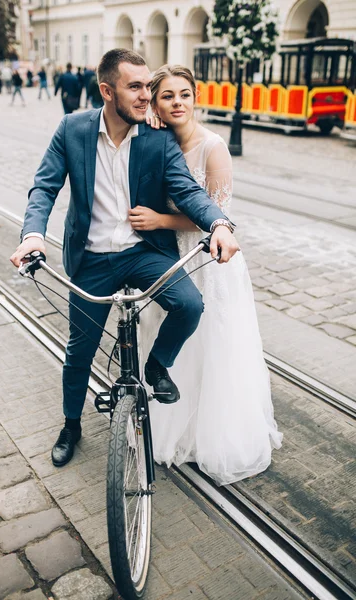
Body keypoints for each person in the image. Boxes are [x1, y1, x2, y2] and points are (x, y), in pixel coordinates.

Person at [10, 48, 239, 468]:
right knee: (80, 349)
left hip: (141, 253)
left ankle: (156, 367)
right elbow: (43, 189)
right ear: (106, 90)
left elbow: (189, 192)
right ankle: (70, 426)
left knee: (189, 304)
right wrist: (33, 236)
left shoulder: (157, 139)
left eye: (147, 86)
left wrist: (219, 224)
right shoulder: (72, 129)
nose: (146, 96)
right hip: (93, 260)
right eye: (135, 87)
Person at [134, 65, 282, 485]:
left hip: (206, 257)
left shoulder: (213, 147)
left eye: (184, 94)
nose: (177, 102)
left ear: (195, 98)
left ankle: (212, 432)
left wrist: (161, 220)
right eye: (167, 96)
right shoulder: (153, 142)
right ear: (155, 102)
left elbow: (215, 217)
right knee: (172, 338)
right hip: (165, 259)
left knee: (212, 344)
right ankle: (169, 424)